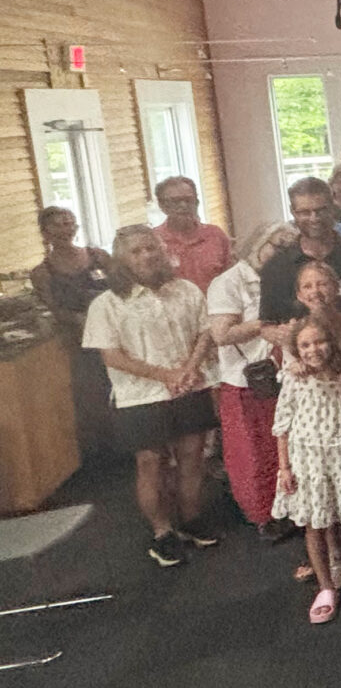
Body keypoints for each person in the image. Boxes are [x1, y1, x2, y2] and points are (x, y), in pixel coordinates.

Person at [82, 224, 218, 567]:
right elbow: (112, 356)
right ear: (120, 259)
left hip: (190, 386)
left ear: (162, 251)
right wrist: (166, 375)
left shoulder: (185, 290)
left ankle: (191, 519)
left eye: (151, 248)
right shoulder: (108, 303)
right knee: (151, 462)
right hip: (140, 395)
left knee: (192, 455)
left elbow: (205, 332)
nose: (146, 256)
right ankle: (163, 532)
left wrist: (189, 368)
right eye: (136, 251)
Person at [274, 314, 341, 623]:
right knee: (314, 525)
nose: (313, 350)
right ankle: (326, 586)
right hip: (307, 462)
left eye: (319, 342)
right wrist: (284, 468)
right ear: (296, 349)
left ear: (332, 344)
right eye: (305, 345)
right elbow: (282, 425)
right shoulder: (294, 378)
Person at [208, 222, 297, 539]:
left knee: (284, 448)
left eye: (288, 247)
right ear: (259, 242)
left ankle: (290, 509)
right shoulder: (229, 282)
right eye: (275, 244)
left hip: (287, 375)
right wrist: (264, 324)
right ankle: (262, 515)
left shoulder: (288, 277)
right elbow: (221, 334)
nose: (280, 253)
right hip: (247, 380)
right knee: (253, 452)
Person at [31, 206, 114, 460]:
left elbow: (123, 289)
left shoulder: (98, 257)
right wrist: (79, 319)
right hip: (79, 341)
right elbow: (53, 309)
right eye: (57, 225)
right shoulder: (42, 272)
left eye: (69, 223)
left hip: (113, 334)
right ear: (45, 232)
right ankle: (101, 456)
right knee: (91, 397)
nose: (65, 230)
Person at [260, 177, 341, 325]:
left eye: (320, 210)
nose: (314, 218)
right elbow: (267, 324)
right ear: (293, 212)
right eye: (305, 212)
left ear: (332, 207)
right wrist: (278, 332)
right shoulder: (276, 267)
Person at [153, 175, 233, 293]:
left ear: (197, 202)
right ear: (162, 206)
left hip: (215, 308)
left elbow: (232, 278)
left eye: (188, 200)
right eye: (175, 201)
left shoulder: (215, 235)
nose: (183, 206)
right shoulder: (153, 241)